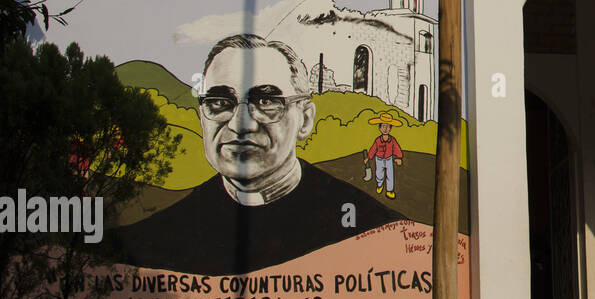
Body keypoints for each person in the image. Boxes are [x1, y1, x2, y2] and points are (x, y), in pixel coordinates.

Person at [111, 34, 400, 274]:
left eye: (265, 101)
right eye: (220, 102)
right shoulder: (154, 240)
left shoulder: (375, 229)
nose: (240, 124)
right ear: (202, 116)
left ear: (305, 119)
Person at [365, 113, 405, 199]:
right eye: (383, 126)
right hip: (379, 160)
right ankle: (379, 185)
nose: (385, 129)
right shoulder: (378, 140)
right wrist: (368, 157)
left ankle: (389, 191)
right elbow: (373, 149)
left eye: (387, 127)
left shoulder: (392, 140)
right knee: (379, 174)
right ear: (380, 128)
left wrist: (399, 157)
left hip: (389, 159)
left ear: (390, 128)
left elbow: (397, 148)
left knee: (390, 175)